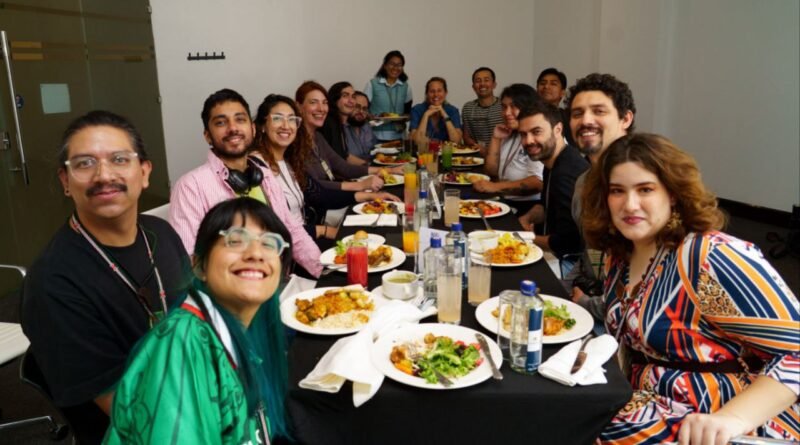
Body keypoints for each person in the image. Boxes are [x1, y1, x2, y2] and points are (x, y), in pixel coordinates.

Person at [582, 133, 799, 444]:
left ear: (672, 194)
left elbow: (796, 352)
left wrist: (731, 419)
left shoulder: (709, 256)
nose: (629, 204)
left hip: (716, 421)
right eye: (617, 191)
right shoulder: (621, 253)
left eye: (645, 189)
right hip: (645, 403)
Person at [21, 111, 191, 444]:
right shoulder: (53, 284)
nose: (104, 175)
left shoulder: (162, 234)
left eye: (119, 159)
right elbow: (137, 416)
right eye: (84, 164)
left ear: (144, 173)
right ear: (65, 182)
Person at [104, 197, 295, 444]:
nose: (256, 253)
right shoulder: (181, 345)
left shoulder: (248, 332)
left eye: (270, 243)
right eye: (235, 240)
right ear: (199, 266)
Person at [169, 88, 322, 278]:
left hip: (280, 284)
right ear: (207, 135)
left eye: (240, 119)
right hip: (230, 298)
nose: (233, 128)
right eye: (221, 122)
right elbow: (190, 261)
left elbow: (293, 231)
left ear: (253, 128)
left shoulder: (263, 174)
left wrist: (322, 271)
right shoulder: (190, 186)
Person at [252, 94, 399, 241]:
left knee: (390, 233)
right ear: (262, 126)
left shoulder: (289, 161)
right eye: (277, 118)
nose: (286, 125)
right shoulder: (257, 169)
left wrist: (371, 196)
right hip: (292, 248)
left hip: (307, 236)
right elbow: (273, 230)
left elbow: (320, 195)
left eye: (291, 119)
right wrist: (325, 231)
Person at [567, 73, 636, 318]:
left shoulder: (643, 183)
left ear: (625, 118)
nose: (586, 120)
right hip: (589, 296)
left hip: (623, 322)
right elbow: (590, 254)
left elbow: (654, 280)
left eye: (599, 111)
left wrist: (589, 304)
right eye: (577, 113)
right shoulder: (584, 182)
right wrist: (562, 288)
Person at [517, 101, 589, 274]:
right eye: (523, 134)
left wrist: (523, 238)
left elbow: (567, 243)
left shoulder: (566, 173)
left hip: (570, 264)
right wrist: (527, 218)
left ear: (557, 130)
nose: (528, 141)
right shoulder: (553, 160)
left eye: (536, 132)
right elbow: (546, 207)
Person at [296, 81, 397, 191]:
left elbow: (344, 167)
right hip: (324, 201)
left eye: (324, 102)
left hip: (333, 194)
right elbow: (313, 186)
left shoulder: (318, 137)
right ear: (298, 106)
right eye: (313, 102)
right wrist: (361, 185)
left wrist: (391, 170)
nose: (321, 108)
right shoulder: (296, 140)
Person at [473, 83, 543, 215]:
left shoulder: (536, 136)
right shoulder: (509, 132)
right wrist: (495, 138)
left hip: (527, 207)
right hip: (504, 201)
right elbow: (491, 172)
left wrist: (495, 187)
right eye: (504, 107)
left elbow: (537, 183)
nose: (507, 113)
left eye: (513, 107)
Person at [364, 50, 413, 142]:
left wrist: (406, 117)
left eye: (399, 65)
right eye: (392, 64)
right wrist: (370, 117)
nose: (395, 68)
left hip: (399, 135)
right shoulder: (372, 84)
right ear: (385, 65)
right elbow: (364, 109)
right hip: (376, 135)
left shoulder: (406, 87)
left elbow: (407, 111)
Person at [319, 81, 368, 165]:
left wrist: (368, 166)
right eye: (345, 96)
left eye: (353, 97)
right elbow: (337, 162)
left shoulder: (339, 123)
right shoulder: (330, 123)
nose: (351, 101)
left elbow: (344, 155)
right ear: (334, 99)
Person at [409, 76, 462, 144]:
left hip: (447, 153)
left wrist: (444, 114)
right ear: (427, 94)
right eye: (432, 91)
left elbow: (456, 141)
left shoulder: (453, 111)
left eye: (439, 91)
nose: (436, 94)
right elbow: (417, 142)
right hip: (424, 153)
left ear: (445, 93)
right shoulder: (417, 110)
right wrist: (426, 115)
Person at [461, 67, 504, 150]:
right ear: (473, 86)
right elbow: (466, 137)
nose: (482, 84)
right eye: (478, 81)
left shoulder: (504, 106)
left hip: (502, 156)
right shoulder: (467, 108)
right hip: (477, 157)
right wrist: (479, 148)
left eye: (486, 80)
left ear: (494, 84)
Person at [536, 67, 574, 146]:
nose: (546, 86)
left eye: (553, 84)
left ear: (562, 93)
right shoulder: (527, 115)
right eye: (542, 83)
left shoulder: (568, 118)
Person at [344, 91, 378, 162]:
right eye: (357, 107)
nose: (361, 111)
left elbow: (375, 149)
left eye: (364, 109)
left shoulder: (366, 126)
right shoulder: (341, 128)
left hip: (370, 169)